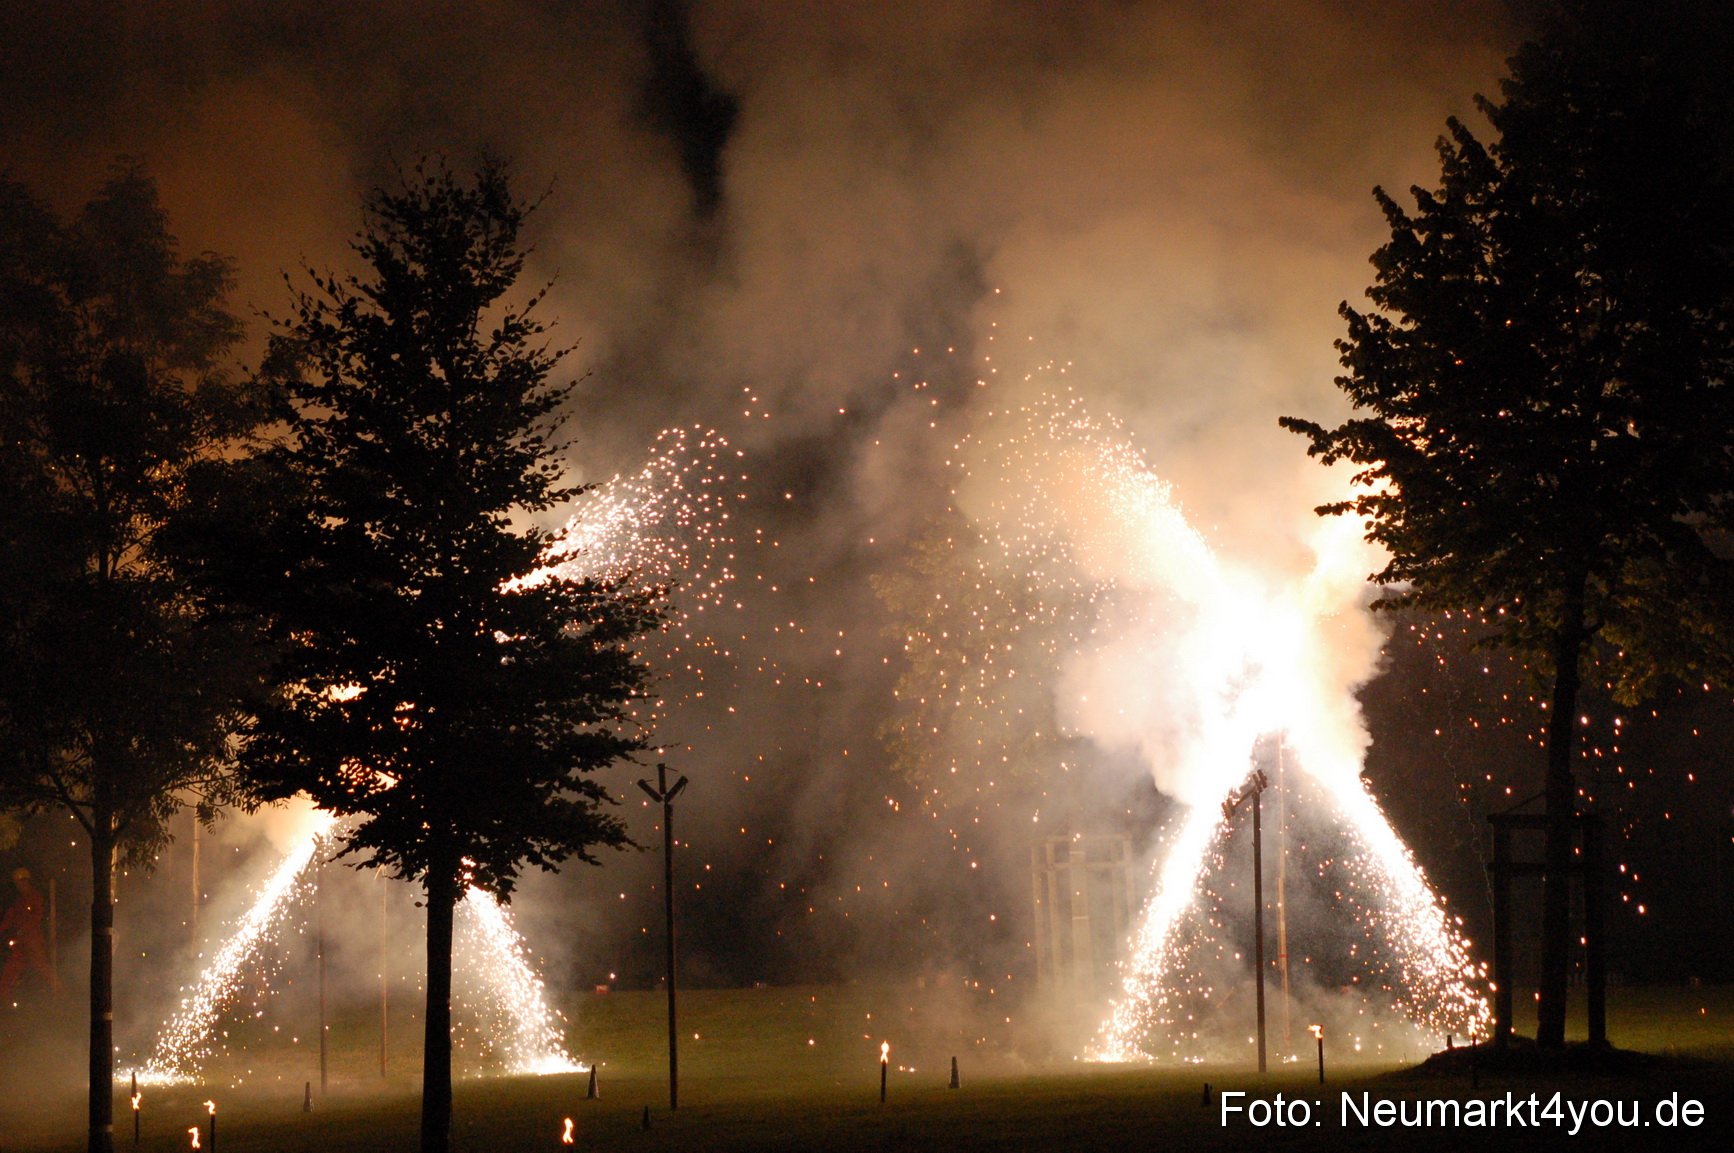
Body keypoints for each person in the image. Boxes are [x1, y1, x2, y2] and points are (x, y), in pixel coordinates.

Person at [0, 867, 60, 999]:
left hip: (33, 942)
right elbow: (8, 920)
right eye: (16, 883)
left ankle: (60, 994)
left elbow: (36, 917)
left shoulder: (35, 897)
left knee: (45, 969)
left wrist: (26, 931)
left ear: (26, 881)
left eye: (20, 882)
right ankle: (3, 997)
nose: (18, 886)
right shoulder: (18, 902)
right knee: (10, 972)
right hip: (21, 944)